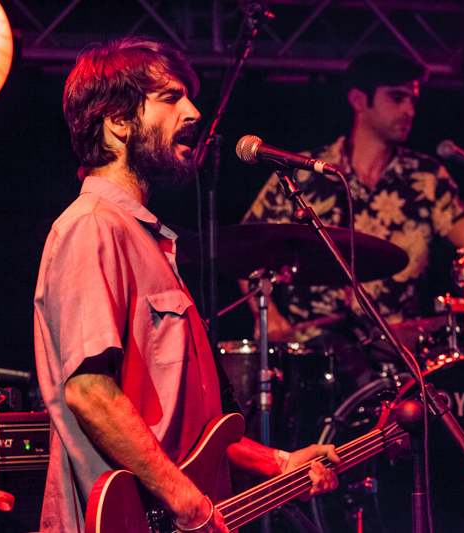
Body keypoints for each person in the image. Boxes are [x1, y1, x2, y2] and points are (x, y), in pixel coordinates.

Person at [33, 36, 339, 533]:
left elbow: (190, 434)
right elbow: (89, 391)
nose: (194, 112)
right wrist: (187, 501)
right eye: (171, 97)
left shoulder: (148, 240)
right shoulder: (92, 226)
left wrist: (278, 462)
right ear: (117, 121)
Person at [241, 51, 464, 360]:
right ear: (360, 101)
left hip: (398, 354)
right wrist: (268, 316)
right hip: (312, 356)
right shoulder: (302, 173)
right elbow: (243, 248)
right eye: (397, 98)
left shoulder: (426, 177)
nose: (410, 110)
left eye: (413, 100)